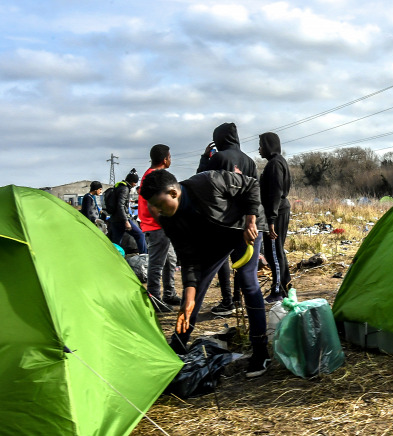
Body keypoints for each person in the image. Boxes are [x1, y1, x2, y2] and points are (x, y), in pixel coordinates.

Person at [139, 169, 271, 378]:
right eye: (152, 206)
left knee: (247, 280)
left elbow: (251, 185)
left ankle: (261, 351)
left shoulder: (208, 182)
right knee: (195, 289)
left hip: (244, 228)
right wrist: (187, 300)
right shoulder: (168, 218)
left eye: (158, 204)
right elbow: (189, 258)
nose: (155, 211)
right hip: (216, 238)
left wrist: (251, 220)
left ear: (173, 193)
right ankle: (179, 345)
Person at [197, 122, 258, 316]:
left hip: (223, 220)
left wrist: (205, 157)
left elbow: (202, 181)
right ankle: (240, 301)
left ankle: (226, 301)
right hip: (245, 221)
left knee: (221, 262)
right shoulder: (250, 161)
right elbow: (255, 192)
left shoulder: (218, 158)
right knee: (243, 265)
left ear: (218, 139)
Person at [138, 144, 180, 310]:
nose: (170, 160)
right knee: (157, 264)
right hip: (157, 227)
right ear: (165, 159)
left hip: (158, 226)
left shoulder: (149, 175)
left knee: (171, 260)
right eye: (170, 157)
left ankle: (169, 293)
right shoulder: (157, 177)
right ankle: (154, 299)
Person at [258, 132, 292, 303]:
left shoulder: (275, 164)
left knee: (273, 253)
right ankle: (286, 287)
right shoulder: (278, 162)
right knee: (276, 251)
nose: (259, 149)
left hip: (276, 213)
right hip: (279, 211)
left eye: (261, 145)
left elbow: (276, 193)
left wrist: (270, 220)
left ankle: (278, 291)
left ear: (269, 146)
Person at [108, 169, 147, 254]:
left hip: (115, 219)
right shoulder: (125, 189)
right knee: (140, 235)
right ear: (132, 181)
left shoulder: (118, 186)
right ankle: (144, 257)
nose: (135, 184)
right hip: (122, 219)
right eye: (135, 182)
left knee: (116, 242)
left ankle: (113, 259)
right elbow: (120, 205)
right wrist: (126, 221)